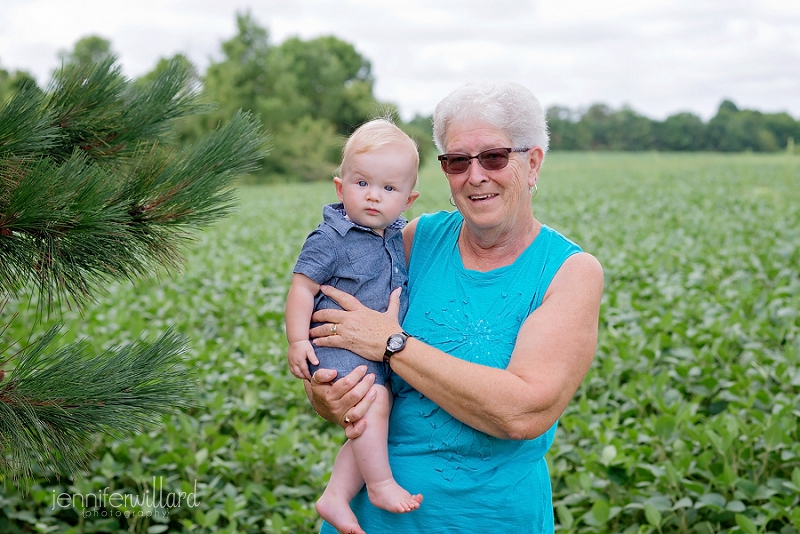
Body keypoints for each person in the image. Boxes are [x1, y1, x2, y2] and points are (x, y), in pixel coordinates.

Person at [303, 81, 604, 533]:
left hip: (490, 520)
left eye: (495, 157)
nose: (475, 175)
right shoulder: (408, 241)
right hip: (370, 520)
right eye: (457, 161)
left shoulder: (570, 272)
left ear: (534, 161)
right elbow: (336, 339)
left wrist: (392, 344)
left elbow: (524, 411)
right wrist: (327, 395)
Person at [284, 119, 422, 530]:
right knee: (373, 405)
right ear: (340, 188)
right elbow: (302, 290)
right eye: (362, 183)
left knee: (373, 417)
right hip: (335, 345)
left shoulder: (397, 235)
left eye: (389, 189)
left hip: (374, 346)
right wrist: (295, 341)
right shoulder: (330, 238)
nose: (374, 196)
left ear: (408, 200)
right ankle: (379, 485)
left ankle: (335, 496)